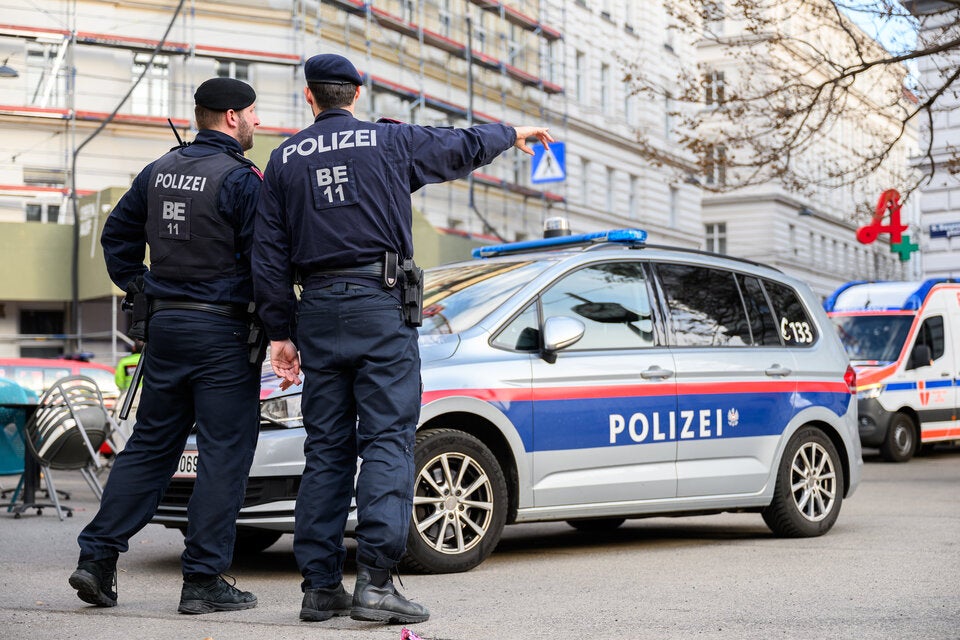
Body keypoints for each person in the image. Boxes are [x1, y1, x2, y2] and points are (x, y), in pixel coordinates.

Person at [252, 52, 553, 624]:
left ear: (310, 99)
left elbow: (267, 256)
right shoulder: (388, 144)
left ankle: (319, 589)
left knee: (327, 449)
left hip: (315, 310)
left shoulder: (284, 160)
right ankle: (374, 584)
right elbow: (456, 145)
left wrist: (280, 333)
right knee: (388, 442)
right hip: (379, 307)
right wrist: (510, 133)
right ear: (357, 96)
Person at [69, 77, 265, 615]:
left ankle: (97, 557)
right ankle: (202, 580)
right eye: (252, 114)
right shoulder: (243, 180)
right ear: (230, 117)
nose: (257, 123)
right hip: (223, 334)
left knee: (150, 447)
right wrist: (282, 327)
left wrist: (141, 288)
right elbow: (266, 261)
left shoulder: (158, 171)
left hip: (166, 330)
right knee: (224, 456)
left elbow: (117, 237)